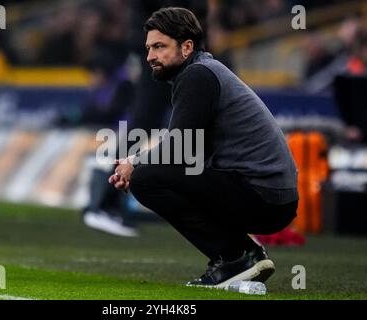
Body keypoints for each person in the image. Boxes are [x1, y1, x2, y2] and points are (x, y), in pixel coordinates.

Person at [109, 7, 298, 288]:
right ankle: (241, 253)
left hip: (262, 195)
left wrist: (134, 162)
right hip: (270, 195)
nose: (149, 57)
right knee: (156, 172)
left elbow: (179, 148)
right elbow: (191, 150)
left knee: (146, 179)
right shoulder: (202, 72)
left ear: (187, 46)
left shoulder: (197, 75)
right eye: (148, 48)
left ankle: (236, 257)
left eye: (159, 47)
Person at [82, 0, 207, 237]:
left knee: (152, 123)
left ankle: (104, 198)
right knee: (147, 122)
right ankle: (104, 199)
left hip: (171, 47)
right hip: (169, 50)